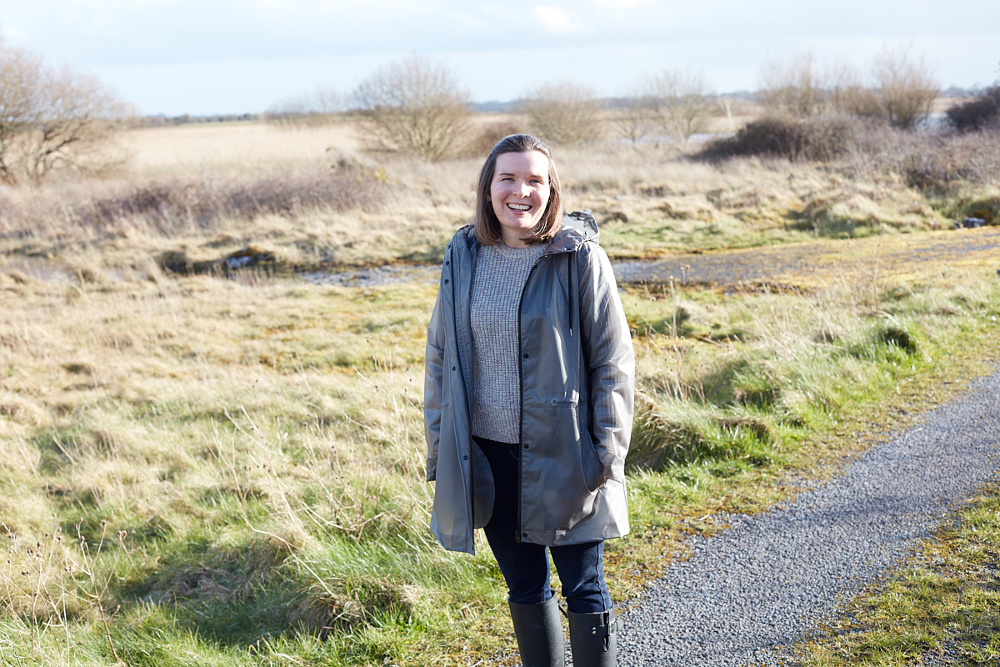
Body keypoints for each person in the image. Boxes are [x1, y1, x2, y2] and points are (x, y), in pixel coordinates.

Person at [423, 134, 634, 667]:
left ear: (551, 189)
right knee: (524, 586)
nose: (521, 191)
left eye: (535, 180)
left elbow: (613, 360)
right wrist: (439, 446)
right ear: (489, 188)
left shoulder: (579, 257)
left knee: (584, 587)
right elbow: (440, 356)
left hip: (567, 456)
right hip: (489, 459)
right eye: (508, 178)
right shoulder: (463, 254)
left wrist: (608, 452)